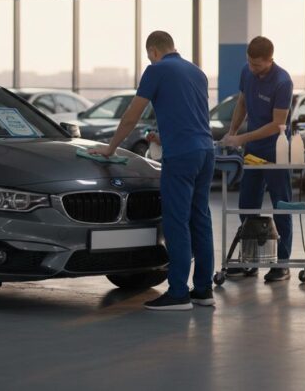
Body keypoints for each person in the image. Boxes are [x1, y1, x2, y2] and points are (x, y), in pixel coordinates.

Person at [89, 30, 215, 311]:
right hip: (206, 151)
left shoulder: (155, 70)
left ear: (154, 52)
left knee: (176, 222)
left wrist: (110, 148)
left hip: (181, 155)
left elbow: (131, 115)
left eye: (150, 56)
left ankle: (179, 292)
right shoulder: (197, 72)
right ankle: (204, 290)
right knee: (200, 219)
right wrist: (161, 133)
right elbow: (188, 114)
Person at [221, 36, 294, 282]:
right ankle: (250, 260)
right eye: (251, 64)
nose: (254, 70)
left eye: (258, 66)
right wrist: (233, 132)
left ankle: (282, 263)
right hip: (253, 151)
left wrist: (243, 139)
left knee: (281, 205)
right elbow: (242, 102)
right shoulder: (247, 72)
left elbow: (277, 124)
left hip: (276, 150)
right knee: (247, 204)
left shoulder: (283, 82)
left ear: (270, 60)